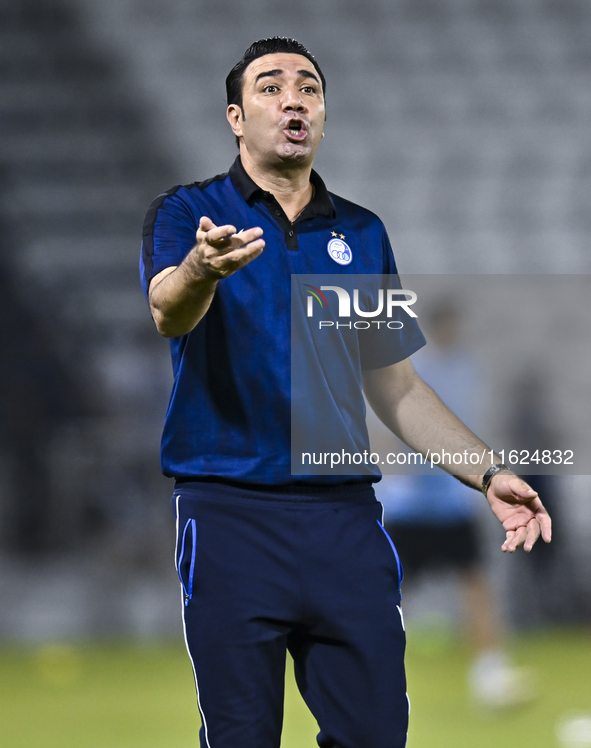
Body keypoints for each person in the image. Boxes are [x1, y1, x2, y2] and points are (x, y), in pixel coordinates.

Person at [140, 37, 551, 748]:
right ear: (235, 117)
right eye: (269, 87)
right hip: (230, 513)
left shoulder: (360, 233)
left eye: (307, 86)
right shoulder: (187, 214)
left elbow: (395, 388)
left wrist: (488, 472)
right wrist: (202, 269)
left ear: (322, 113)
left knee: (376, 736)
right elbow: (165, 311)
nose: (292, 98)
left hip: (344, 520)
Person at [374, 301, 533, 708]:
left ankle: (490, 675)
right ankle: (370, 670)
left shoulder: (468, 370)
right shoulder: (417, 371)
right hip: (411, 506)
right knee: (386, 593)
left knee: (476, 585)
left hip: (453, 505)